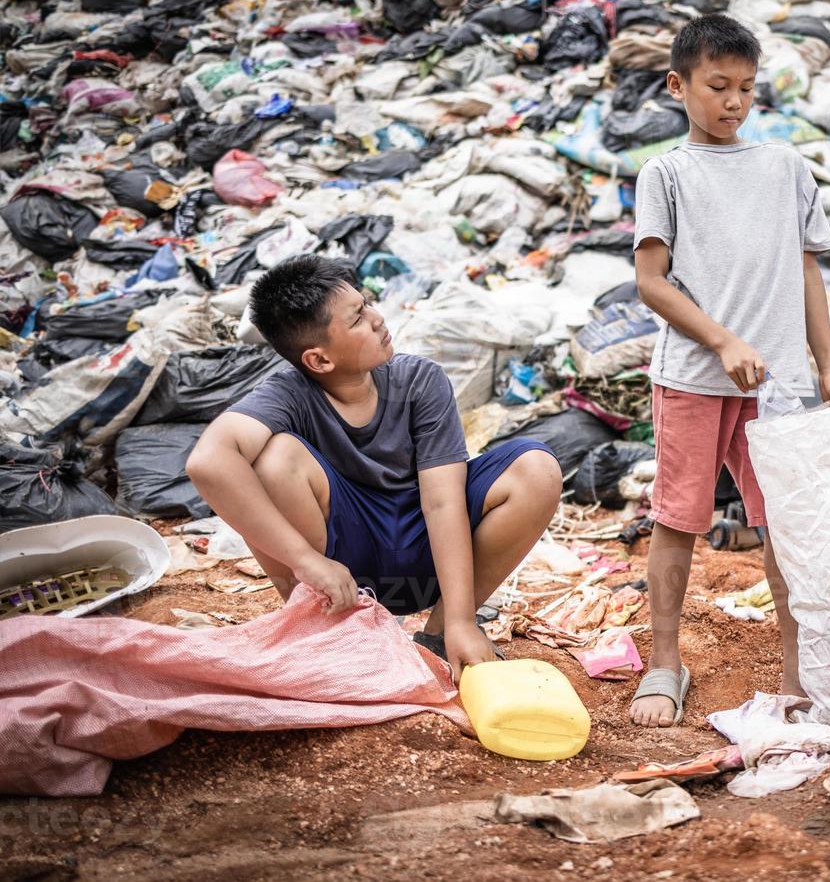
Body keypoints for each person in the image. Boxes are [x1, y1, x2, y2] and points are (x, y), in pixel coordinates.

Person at [186, 254, 562, 681]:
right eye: (357, 319)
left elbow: (442, 503)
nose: (378, 319)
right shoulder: (287, 395)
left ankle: (439, 635)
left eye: (367, 304)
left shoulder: (419, 381)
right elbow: (208, 463)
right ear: (320, 360)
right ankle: (324, 629)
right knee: (275, 459)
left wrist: (461, 620)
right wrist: (306, 561)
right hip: (342, 571)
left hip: (430, 558)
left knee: (537, 467)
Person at [629, 14, 830, 727]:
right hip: (694, 377)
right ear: (678, 85)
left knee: (783, 526)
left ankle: (796, 668)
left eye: (747, 89)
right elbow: (652, 282)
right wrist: (722, 342)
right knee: (677, 520)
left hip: (777, 382)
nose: (733, 102)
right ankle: (666, 663)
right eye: (717, 86)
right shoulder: (666, 172)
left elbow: (808, 267)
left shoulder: (785, 168)